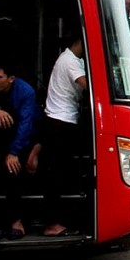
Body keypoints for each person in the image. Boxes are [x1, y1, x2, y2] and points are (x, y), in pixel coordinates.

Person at [39, 35, 89, 236]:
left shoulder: (74, 60)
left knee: (63, 174)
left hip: (65, 120)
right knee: (56, 176)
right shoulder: (69, 61)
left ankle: (59, 220)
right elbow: (89, 85)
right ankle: (52, 223)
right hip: (60, 122)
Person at [0, 57, 41, 239]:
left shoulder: (25, 92)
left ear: (10, 78)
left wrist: (13, 152)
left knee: (13, 171)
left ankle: (15, 221)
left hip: (20, 138)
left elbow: (26, 125)